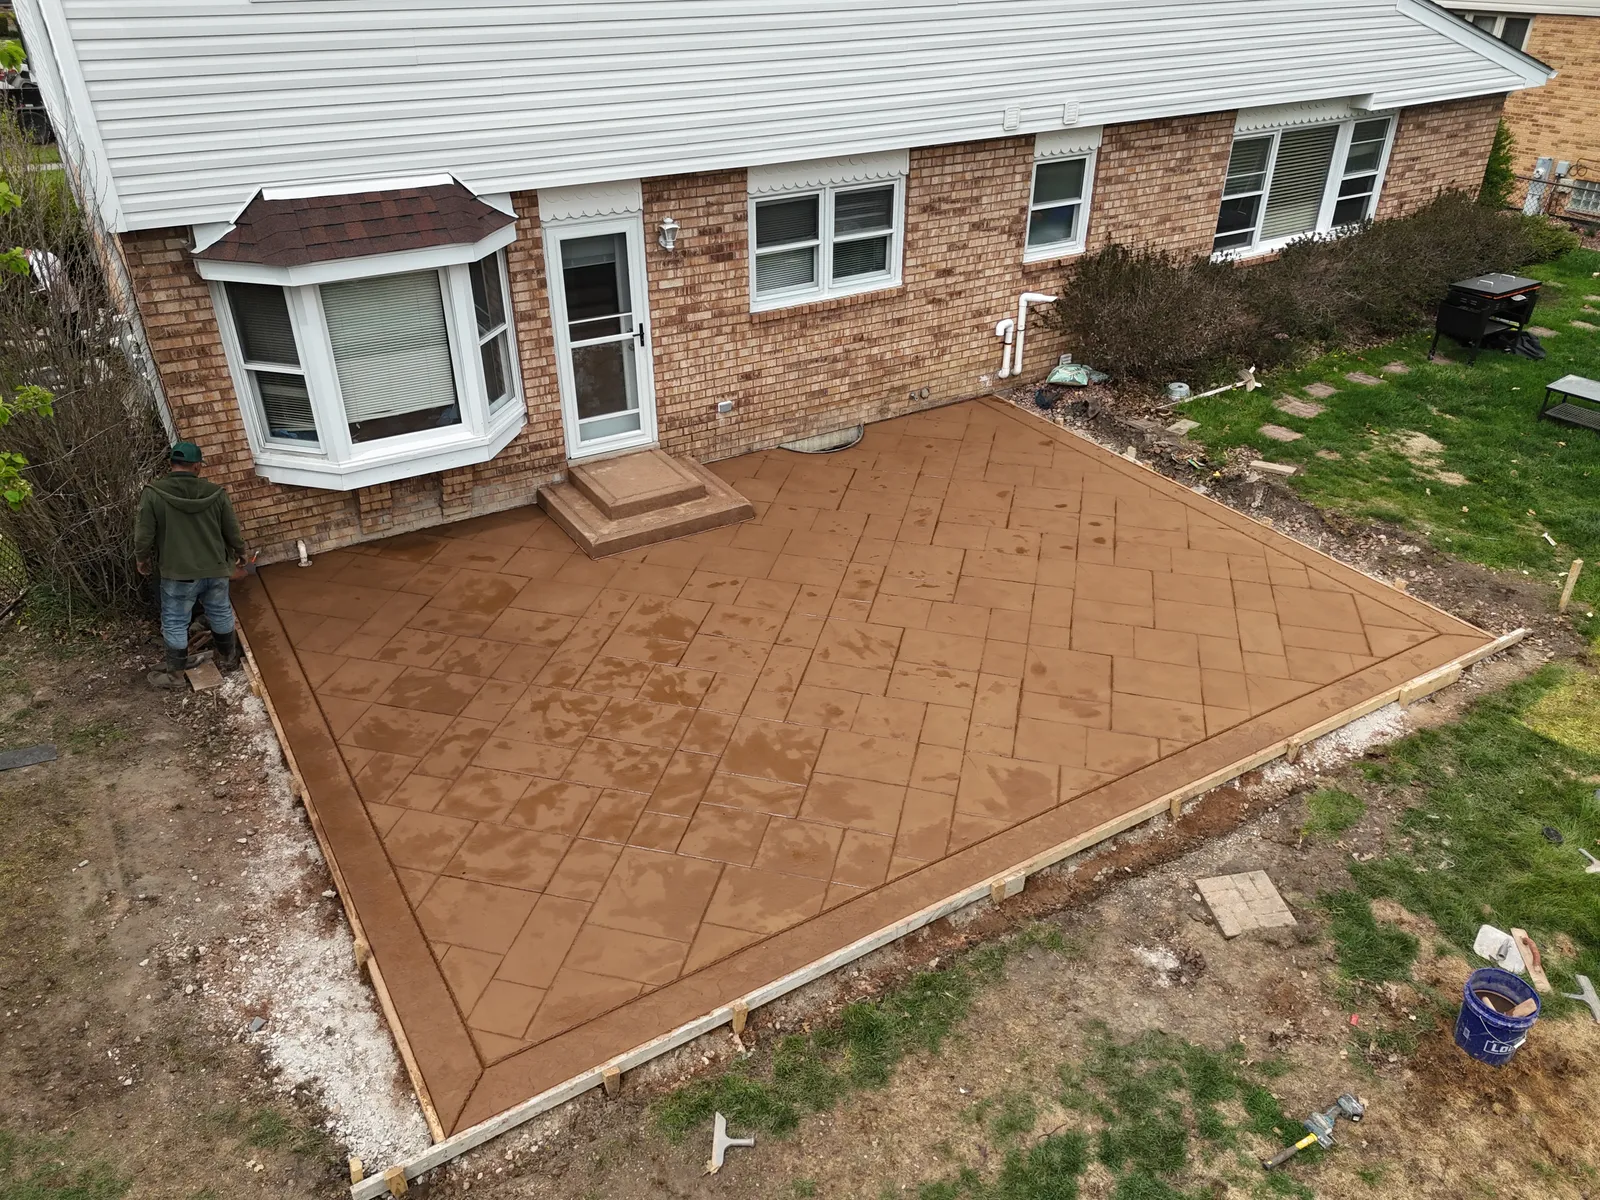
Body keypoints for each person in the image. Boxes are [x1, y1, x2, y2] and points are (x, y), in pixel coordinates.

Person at [134, 442, 248, 688]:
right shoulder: (216, 493)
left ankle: (175, 676)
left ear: (171, 464)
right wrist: (240, 552)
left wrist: (142, 558)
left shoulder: (154, 493)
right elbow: (232, 530)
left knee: (175, 620)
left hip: (178, 573)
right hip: (216, 568)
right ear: (197, 466)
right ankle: (228, 659)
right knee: (220, 611)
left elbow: (144, 534)